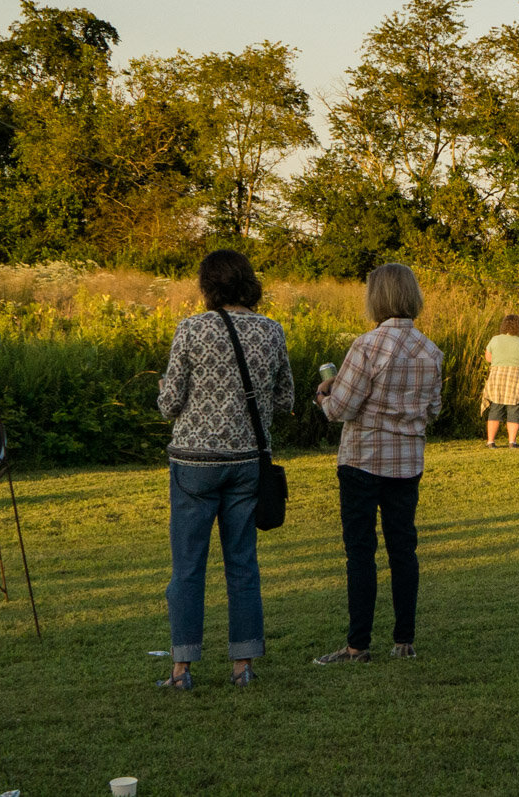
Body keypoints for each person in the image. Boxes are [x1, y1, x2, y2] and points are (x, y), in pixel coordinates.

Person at [155, 249, 293, 689]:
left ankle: (182, 670)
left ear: (208, 284)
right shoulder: (272, 331)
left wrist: (165, 389)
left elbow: (170, 403)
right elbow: (285, 399)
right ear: (249, 281)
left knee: (188, 567)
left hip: (193, 463)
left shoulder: (191, 329)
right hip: (248, 462)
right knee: (242, 565)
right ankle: (244, 666)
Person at [313, 263, 443, 665]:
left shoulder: (366, 346)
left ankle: (358, 645)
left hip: (363, 460)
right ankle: (404, 640)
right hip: (407, 462)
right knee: (403, 550)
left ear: (377, 298)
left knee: (361, 552)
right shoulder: (432, 351)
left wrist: (324, 395)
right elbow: (433, 410)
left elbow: (341, 408)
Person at [482, 314, 519, 449]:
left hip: (497, 377)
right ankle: (512, 442)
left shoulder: (495, 340)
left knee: (495, 409)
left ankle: (491, 442)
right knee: (514, 409)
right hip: (516, 379)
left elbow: (488, 358)